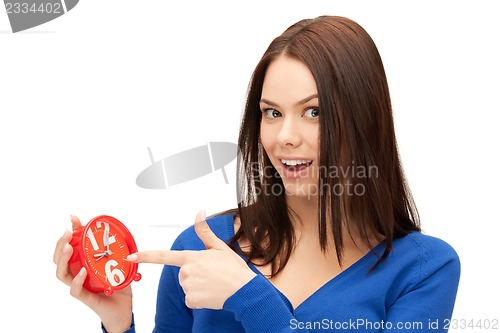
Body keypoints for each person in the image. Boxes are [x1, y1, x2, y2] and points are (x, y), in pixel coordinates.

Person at [54, 15, 460, 332]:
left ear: (364, 120)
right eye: (272, 113)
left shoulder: (425, 269)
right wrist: (119, 324)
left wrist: (249, 298)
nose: (285, 136)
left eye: (313, 112)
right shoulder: (200, 249)